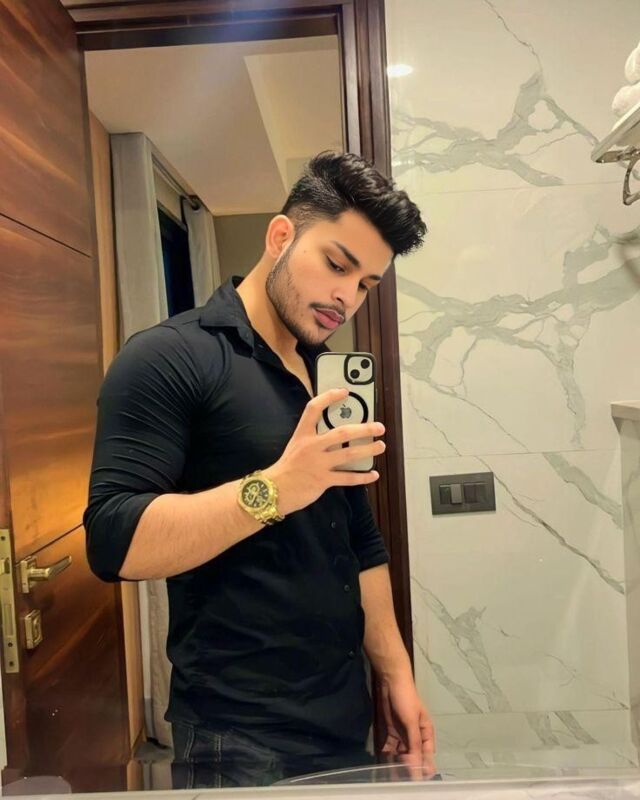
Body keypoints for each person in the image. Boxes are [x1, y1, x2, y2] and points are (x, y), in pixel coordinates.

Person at [84, 151, 434, 788]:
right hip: (237, 736)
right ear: (280, 237)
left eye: (365, 285)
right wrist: (276, 488)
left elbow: (359, 539)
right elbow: (114, 540)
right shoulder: (168, 357)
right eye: (337, 265)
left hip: (344, 711)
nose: (347, 297)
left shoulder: (322, 372)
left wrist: (395, 676)